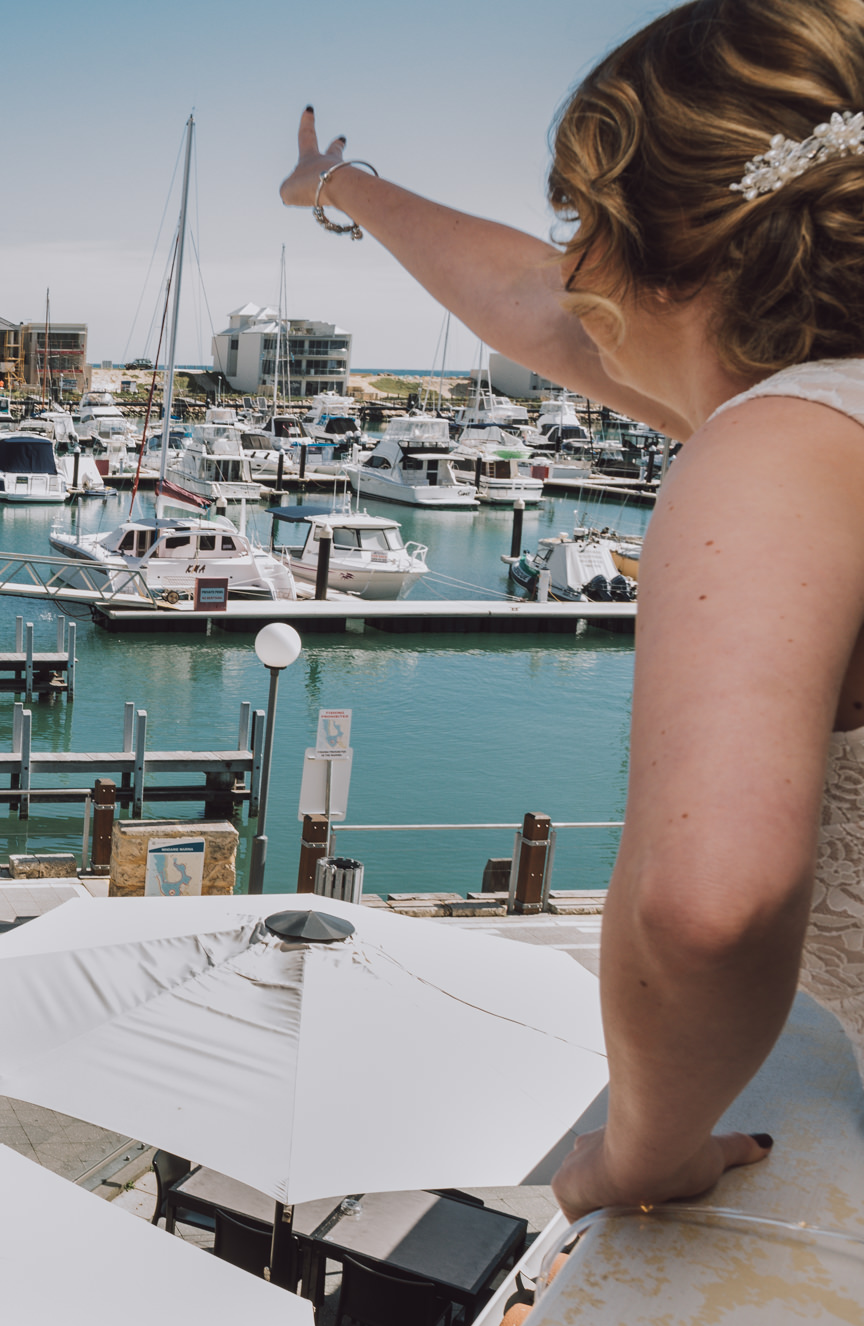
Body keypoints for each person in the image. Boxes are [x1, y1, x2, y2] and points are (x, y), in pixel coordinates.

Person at [279, 0, 864, 1222]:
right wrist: (345, 189)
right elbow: (528, 305)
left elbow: (706, 904)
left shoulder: (775, 446)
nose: (567, 263)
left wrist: (646, 1151)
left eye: (581, 221)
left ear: (646, 247)